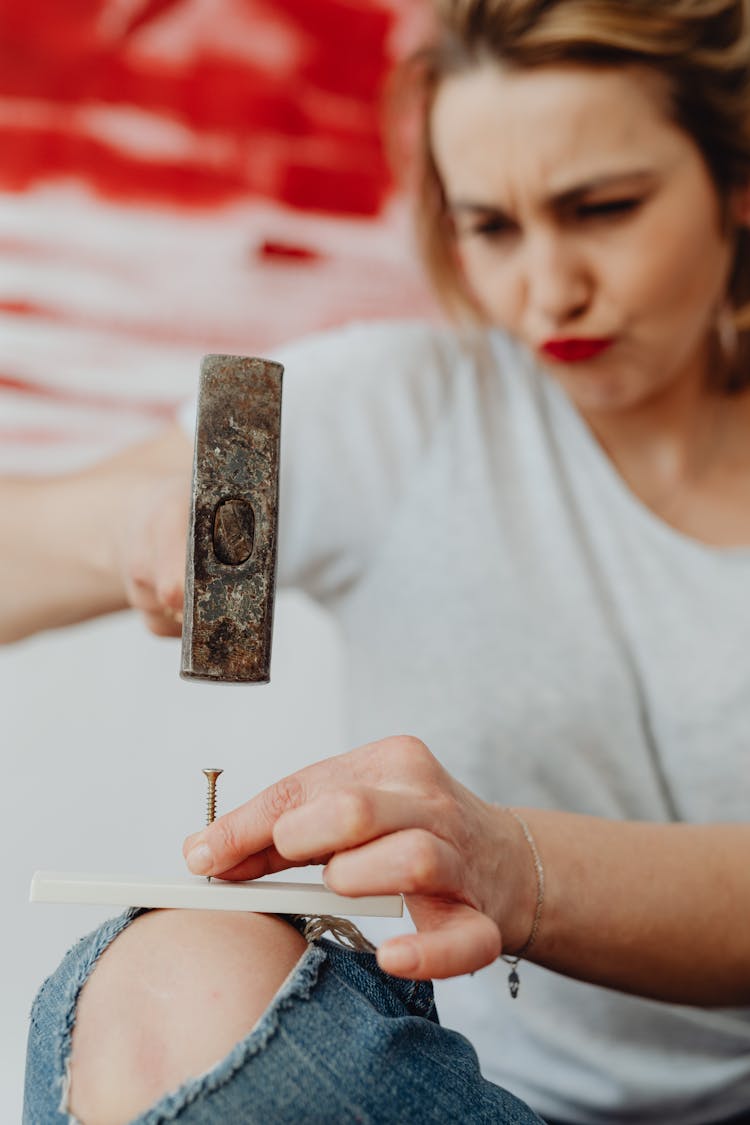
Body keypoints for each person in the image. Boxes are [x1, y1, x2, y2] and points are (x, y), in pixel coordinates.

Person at [12, 0, 750, 1121]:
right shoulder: (405, 414)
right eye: (491, 227)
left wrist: (512, 865)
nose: (547, 291)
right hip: (461, 1097)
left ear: (735, 181)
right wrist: (122, 530)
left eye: (601, 208)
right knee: (172, 984)